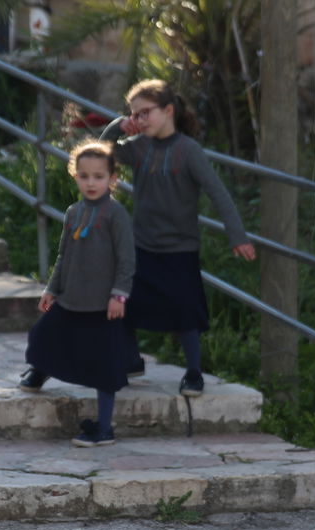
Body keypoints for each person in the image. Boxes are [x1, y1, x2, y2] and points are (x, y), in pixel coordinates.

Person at [86, 79, 256, 398]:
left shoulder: (189, 151)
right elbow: (101, 154)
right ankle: (131, 359)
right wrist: (117, 127)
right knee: (122, 300)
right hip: (140, 246)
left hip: (180, 249)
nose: (139, 119)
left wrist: (238, 236)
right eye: (134, 114)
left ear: (168, 111)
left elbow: (218, 193)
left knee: (185, 311)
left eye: (145, 113)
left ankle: (194, 372)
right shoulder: (138, 148)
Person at [21, 140, 136, 446]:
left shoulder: (116, 215)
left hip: (103, 306)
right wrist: (52, 288)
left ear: (113, 178)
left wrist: (119, 295)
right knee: (43, 336)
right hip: (71, 299)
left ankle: (104, 427)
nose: (91, 182)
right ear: (75, 176)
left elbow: (127, 260)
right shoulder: (74, 212)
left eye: (98, 176)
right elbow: (64, 255)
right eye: (84, 176)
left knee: (104, 368)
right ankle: (40, 370)